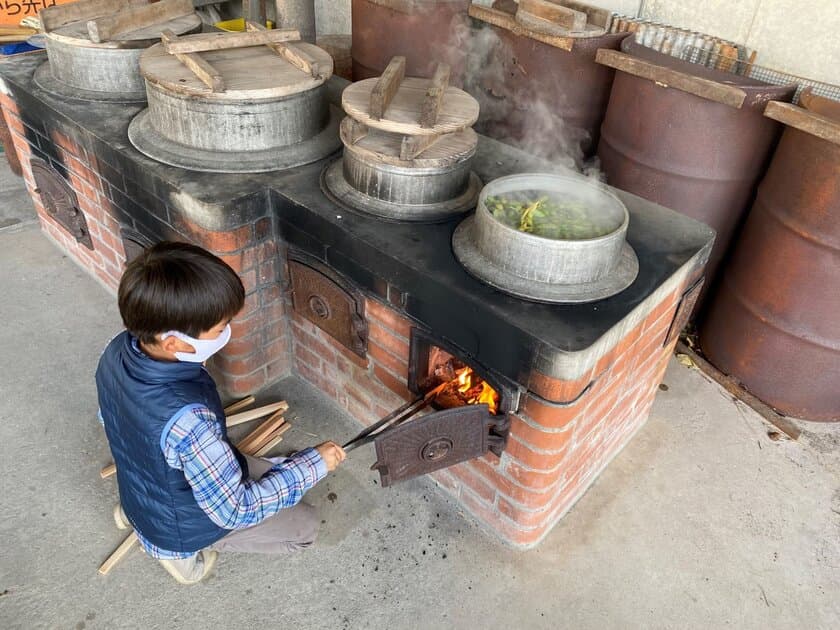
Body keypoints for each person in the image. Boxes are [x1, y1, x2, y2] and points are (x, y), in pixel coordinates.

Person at [95, 241, 346, 585]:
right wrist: (315, 464)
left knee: (279, 471)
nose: (227, 332)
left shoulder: (115, 351)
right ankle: (175, 555)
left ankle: (137, 514)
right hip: (180, 526)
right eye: (219, 327)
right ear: (173, 342)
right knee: (305, 528)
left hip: (145, 487)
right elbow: (235, 510)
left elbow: (114, 422)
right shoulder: (189, 423)